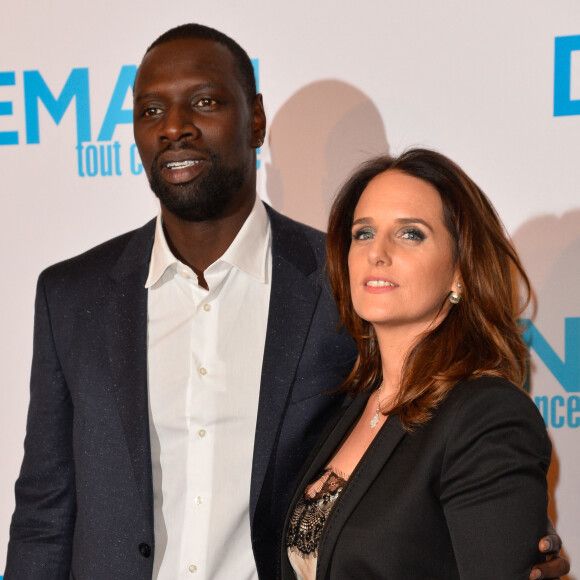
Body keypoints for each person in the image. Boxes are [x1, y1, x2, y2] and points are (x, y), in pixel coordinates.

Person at [4, 24, 568, 580]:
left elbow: (446, 442)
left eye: (203, 101)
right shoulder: (71, 296)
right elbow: (44, 511)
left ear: (255, 119)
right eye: (151, 111)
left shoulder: (340, 282)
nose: (175, 127)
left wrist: (509, 545)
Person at [281, 149, 567, 579]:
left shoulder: (486, 415)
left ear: (460, 271)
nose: (377, 252)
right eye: (363, 233)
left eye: (410, 234)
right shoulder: (353, 405)